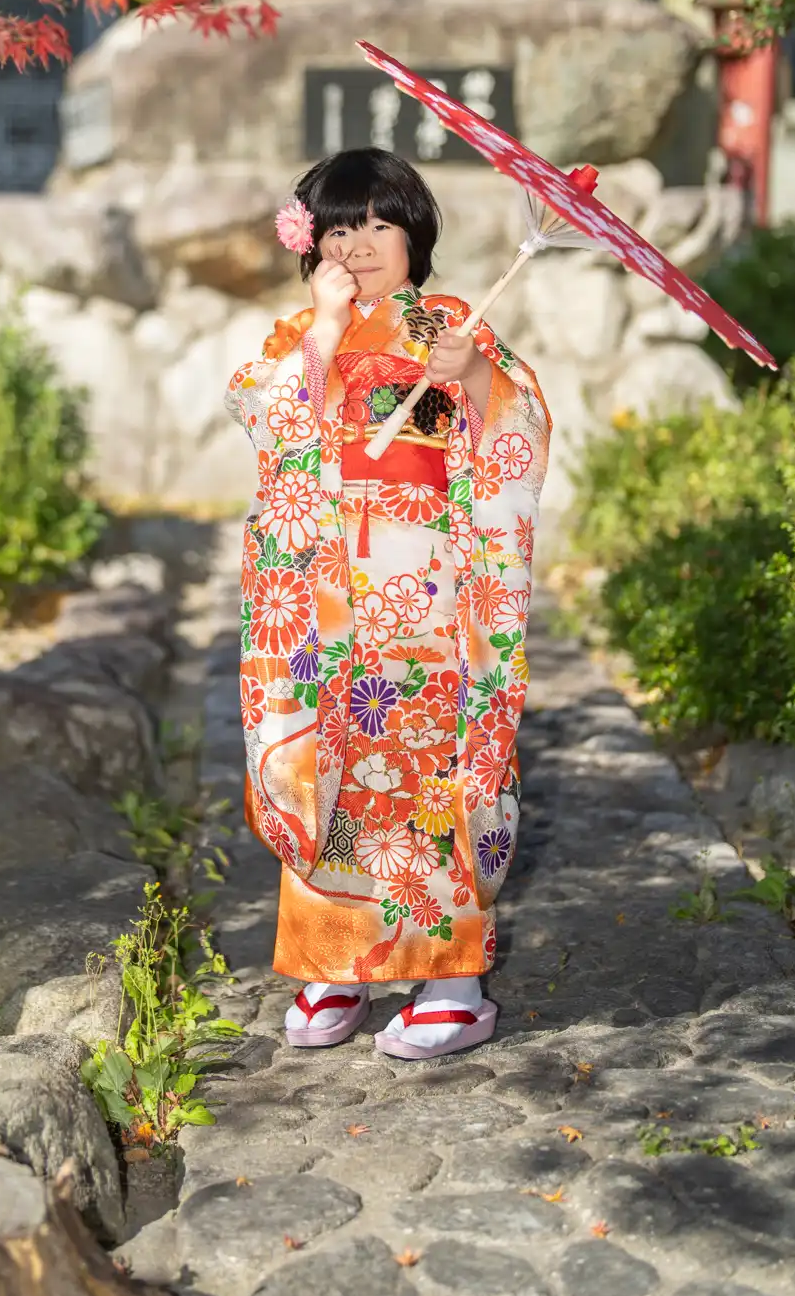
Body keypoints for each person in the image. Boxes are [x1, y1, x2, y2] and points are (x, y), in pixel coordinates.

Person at [224, 148, 550, 1059]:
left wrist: (473, 377)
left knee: (426, 769)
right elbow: (264, 421)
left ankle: (452, 983)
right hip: (323, 596)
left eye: (378, 224)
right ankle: (335, 963)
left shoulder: (452, 326)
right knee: (325, 765)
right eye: (338, 228)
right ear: (309, 244)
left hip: (427, 592)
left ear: (414, 235)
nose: (358, 245)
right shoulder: (298, 334)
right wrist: (326, 330)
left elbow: (519, 436)